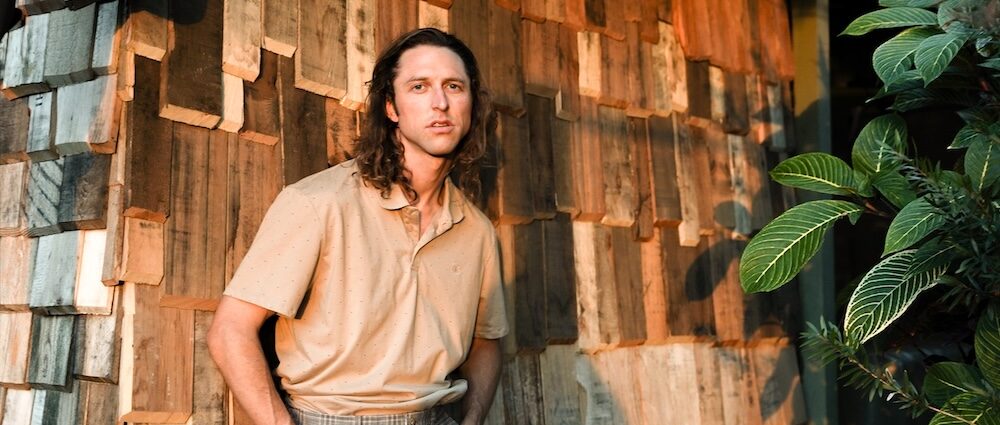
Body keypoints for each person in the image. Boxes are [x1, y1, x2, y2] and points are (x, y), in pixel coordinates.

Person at [207, 28, 508, 425]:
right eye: (419, 87)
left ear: (471, 104)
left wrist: (472, 420)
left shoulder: (477, 231)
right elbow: (230, 330)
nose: (440, 103)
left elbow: (487, 340)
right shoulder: (319, 203)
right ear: (391, 107)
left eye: (454, 86)